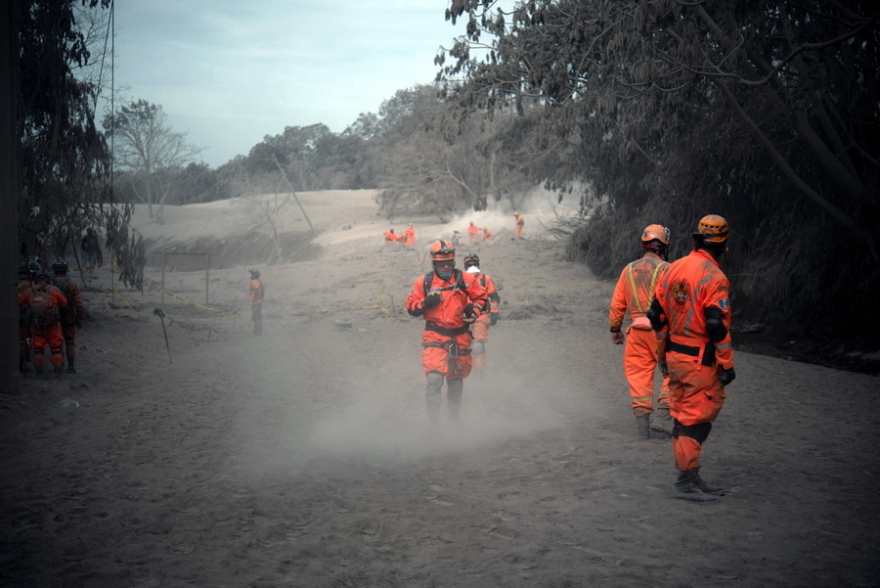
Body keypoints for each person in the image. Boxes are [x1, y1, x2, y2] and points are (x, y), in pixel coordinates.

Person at [648, 214, 736, 503]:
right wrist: (727, 362)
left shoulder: (671, 269)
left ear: (696, 239)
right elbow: (715, 325)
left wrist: (662, 354)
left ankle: (691, 474)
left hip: (675, 354)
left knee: (687, 417)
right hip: (700, 359)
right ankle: (684, 482)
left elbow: (655, 315)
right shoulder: (714, 276)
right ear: (723, 245)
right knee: (694, 419)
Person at [405, 240, 488, 421]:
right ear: (433, 263)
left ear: (454, 261)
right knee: (434, 379)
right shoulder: (424, 282)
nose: (446, 266)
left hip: (461, 336)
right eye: (441, 263)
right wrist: (426, 303)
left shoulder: (465, 279)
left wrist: (473, 312)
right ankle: (434, 426)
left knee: (456, 382)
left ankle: (454, 421)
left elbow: (483, 299)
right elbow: (411, 308)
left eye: (449, 262)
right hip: (435, 335)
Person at [609, 224, 672, 440]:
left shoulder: (628, 269)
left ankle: (642, 424)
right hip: (662, 332)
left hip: (636, 331)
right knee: (674, 371)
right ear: (663, 246)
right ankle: (664, 416)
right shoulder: (668, 269)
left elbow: (617, 303)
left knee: (638, 377)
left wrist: (615, 329)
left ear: (644, 244)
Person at [19, 270, 67, 377]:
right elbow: (64, 302)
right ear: (48, 279)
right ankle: (58, 371)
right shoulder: (54, 289)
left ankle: (39, 372)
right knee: (56, 347)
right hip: (53, 324)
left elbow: (19, 301)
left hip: (36, 325)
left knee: (38, 348)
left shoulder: (30, 290)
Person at [462, 253, 500, 372]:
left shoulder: (485, 279)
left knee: (478, 345)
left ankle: (479, 370)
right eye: (469, 263)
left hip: (481, 315)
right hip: (462, 316)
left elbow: (494, 297)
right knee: (460, 344)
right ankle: (461, 369)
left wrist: (493, 313)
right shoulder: (459, 279)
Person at [51, 258, 85, 373]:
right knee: (70, 342)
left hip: (55, 318)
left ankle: (59, 366)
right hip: (69, 317)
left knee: (57, 342)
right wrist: (78, 317)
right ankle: (71, 367)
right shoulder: (72, 283)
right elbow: (78, 303)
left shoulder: (50, 284)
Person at [17, 264, 35, 372]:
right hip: (23, 316)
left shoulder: (10, 283)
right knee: (23, 341)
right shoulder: (29, 287)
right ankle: (21, 365)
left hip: (9, 315)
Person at [248, 268, 264, 336]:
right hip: (257, 302)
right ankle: (257, 332)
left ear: (255, 275)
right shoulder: (258, 281)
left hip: (256, 302)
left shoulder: (255, 282)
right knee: (256, 317)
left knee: (256, 317)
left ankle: (257, 333)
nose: (251, 275)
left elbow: (256, 291)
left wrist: (254, 300)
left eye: (252, 274)